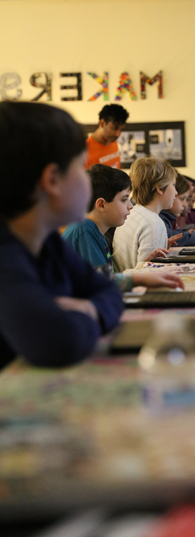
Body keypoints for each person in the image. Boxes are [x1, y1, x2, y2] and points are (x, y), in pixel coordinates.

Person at [0, 101, 124, 370]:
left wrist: (89, 310)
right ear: (52, 180)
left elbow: (108, 291)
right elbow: (59, 341)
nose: (88, 181)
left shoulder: (48, 242)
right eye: (81, 168)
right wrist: (93, 313)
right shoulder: (6, 258)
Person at [63, 164, 184, 291]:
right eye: (124, 199)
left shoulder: (93, 230)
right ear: (102, 205)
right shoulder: (85, 231)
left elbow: (109, 277)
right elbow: (102, 285)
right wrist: (141, 278)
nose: (130, 206)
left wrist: (142, 266)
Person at [113, 158, 182, 271]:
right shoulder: (153, 223)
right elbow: (148, 273)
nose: (176, 192)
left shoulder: (132, 214)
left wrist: (162, 243)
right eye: (173, 185)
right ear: (160, 188)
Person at [160, 174, 195, 247]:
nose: (185, 204)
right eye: (182, 199)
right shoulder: (159, 218)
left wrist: (188, 232)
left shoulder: (168, 217)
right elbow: (174, 238)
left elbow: (175, 232)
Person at [85, 104, 129, 169]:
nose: (118, 134)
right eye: (114, 128)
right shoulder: (86, 152)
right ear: (102, 123)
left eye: (121, 129)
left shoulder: (112, 140)